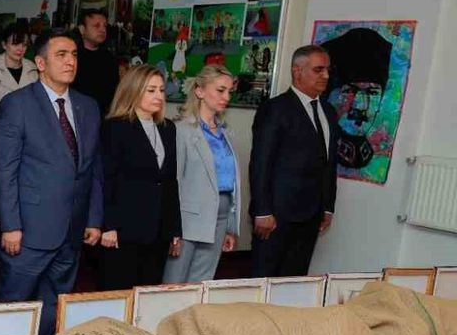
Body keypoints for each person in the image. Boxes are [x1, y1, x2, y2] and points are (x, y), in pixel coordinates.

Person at [0, 29, 102, 335]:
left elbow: (93, 168)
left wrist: (94, 218)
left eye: (74, 55)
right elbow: (5, 171)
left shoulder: (88, 106)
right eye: (61, 55)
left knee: (54, 308)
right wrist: (10, 225)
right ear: (40, 63)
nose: (70, 62)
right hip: (28, 231)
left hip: (71, 231)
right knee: (12, 307)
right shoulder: (17, 104)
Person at [249, 45, 340, 277]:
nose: (325, 75)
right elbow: (261, 162)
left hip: (312, 214)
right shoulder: (275, 109)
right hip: (277, 214)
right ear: (297, 71)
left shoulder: (329, 111)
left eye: (327, 70)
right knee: (265, 277)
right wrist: (262, 211)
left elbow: (329, 163)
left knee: (295, 278)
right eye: (318, 70)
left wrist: (328, 206)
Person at [98, 66, 181, 289]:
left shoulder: (168, 128)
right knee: (118, 291)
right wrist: (108, 225)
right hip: (124, 228)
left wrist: (174, 228)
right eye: (151, 90)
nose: (159, 96)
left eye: (161, 90)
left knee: (149, 292)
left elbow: (170, 181)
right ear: (133, 91)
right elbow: (106, 179)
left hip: (159, 229)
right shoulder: (115, 127)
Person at [164, 64, 241, 284]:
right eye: (220, 90)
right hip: (188, 218)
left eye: (229, 91)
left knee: (202, 282)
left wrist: (230, 227)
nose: (226, 97)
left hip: (220, 215)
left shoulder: (226, 132)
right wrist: (173, 228)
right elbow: (174, 181)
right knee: (174, 281)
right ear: (199, 91)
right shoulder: (181, 129)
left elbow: (232, 184)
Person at [0, 22, 37, 139]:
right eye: (15, 44)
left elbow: (36, 105)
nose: (20, 49)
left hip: (26, 134)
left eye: (24, 45)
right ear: (4, 45)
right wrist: (16, 129)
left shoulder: (32, 69)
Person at [72, 9, 120, 114]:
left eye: (104, 26)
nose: (102, 30)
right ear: (82, 29)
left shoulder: (110, 59)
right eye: (96, 26)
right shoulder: (72, 57)